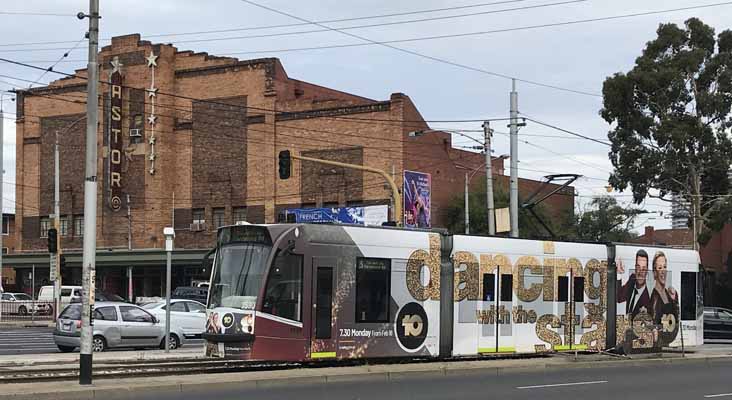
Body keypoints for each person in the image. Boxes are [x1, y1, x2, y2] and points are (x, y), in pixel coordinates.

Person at [649, 251, 679, 346]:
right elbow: (654, 319)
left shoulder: (668, 293)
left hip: (667, 340)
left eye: (665, 267)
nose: (663, 271)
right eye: (659, 268)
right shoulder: (655, 296)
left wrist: (674, 299)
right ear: (654, 273)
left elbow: (675, 316)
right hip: (659, 341)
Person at [616, 250, 652, 320]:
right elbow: (619, 297)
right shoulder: (632, 279)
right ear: (635, 268)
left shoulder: (649, 298)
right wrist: (618, 273)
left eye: (644, 269)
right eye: (638, 267)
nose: (640, 272)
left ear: (647, 271)